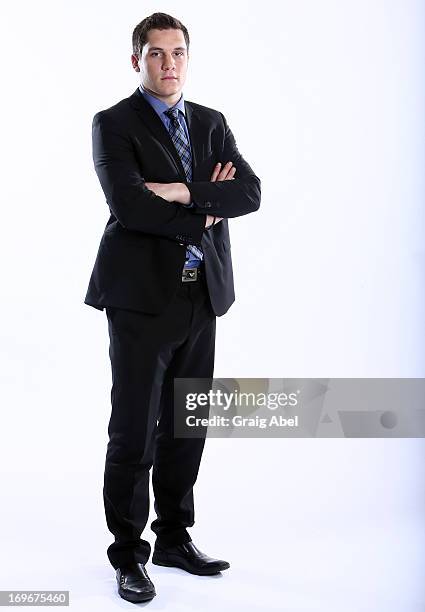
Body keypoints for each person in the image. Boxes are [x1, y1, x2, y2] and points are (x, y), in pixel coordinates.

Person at [84, 12, 261, 603]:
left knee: (188, 424)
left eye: (177, 53)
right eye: (156, 54)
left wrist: (185, 191)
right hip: (139, 301)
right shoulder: (113, 124)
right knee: (134, 429)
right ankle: (128, 554)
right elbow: (130, 208)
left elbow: (250, 192)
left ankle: (174, 538)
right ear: (137, 59)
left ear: (189, 57)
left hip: (201, 296)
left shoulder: (211, 124)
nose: (168, 64)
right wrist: (208, 207)